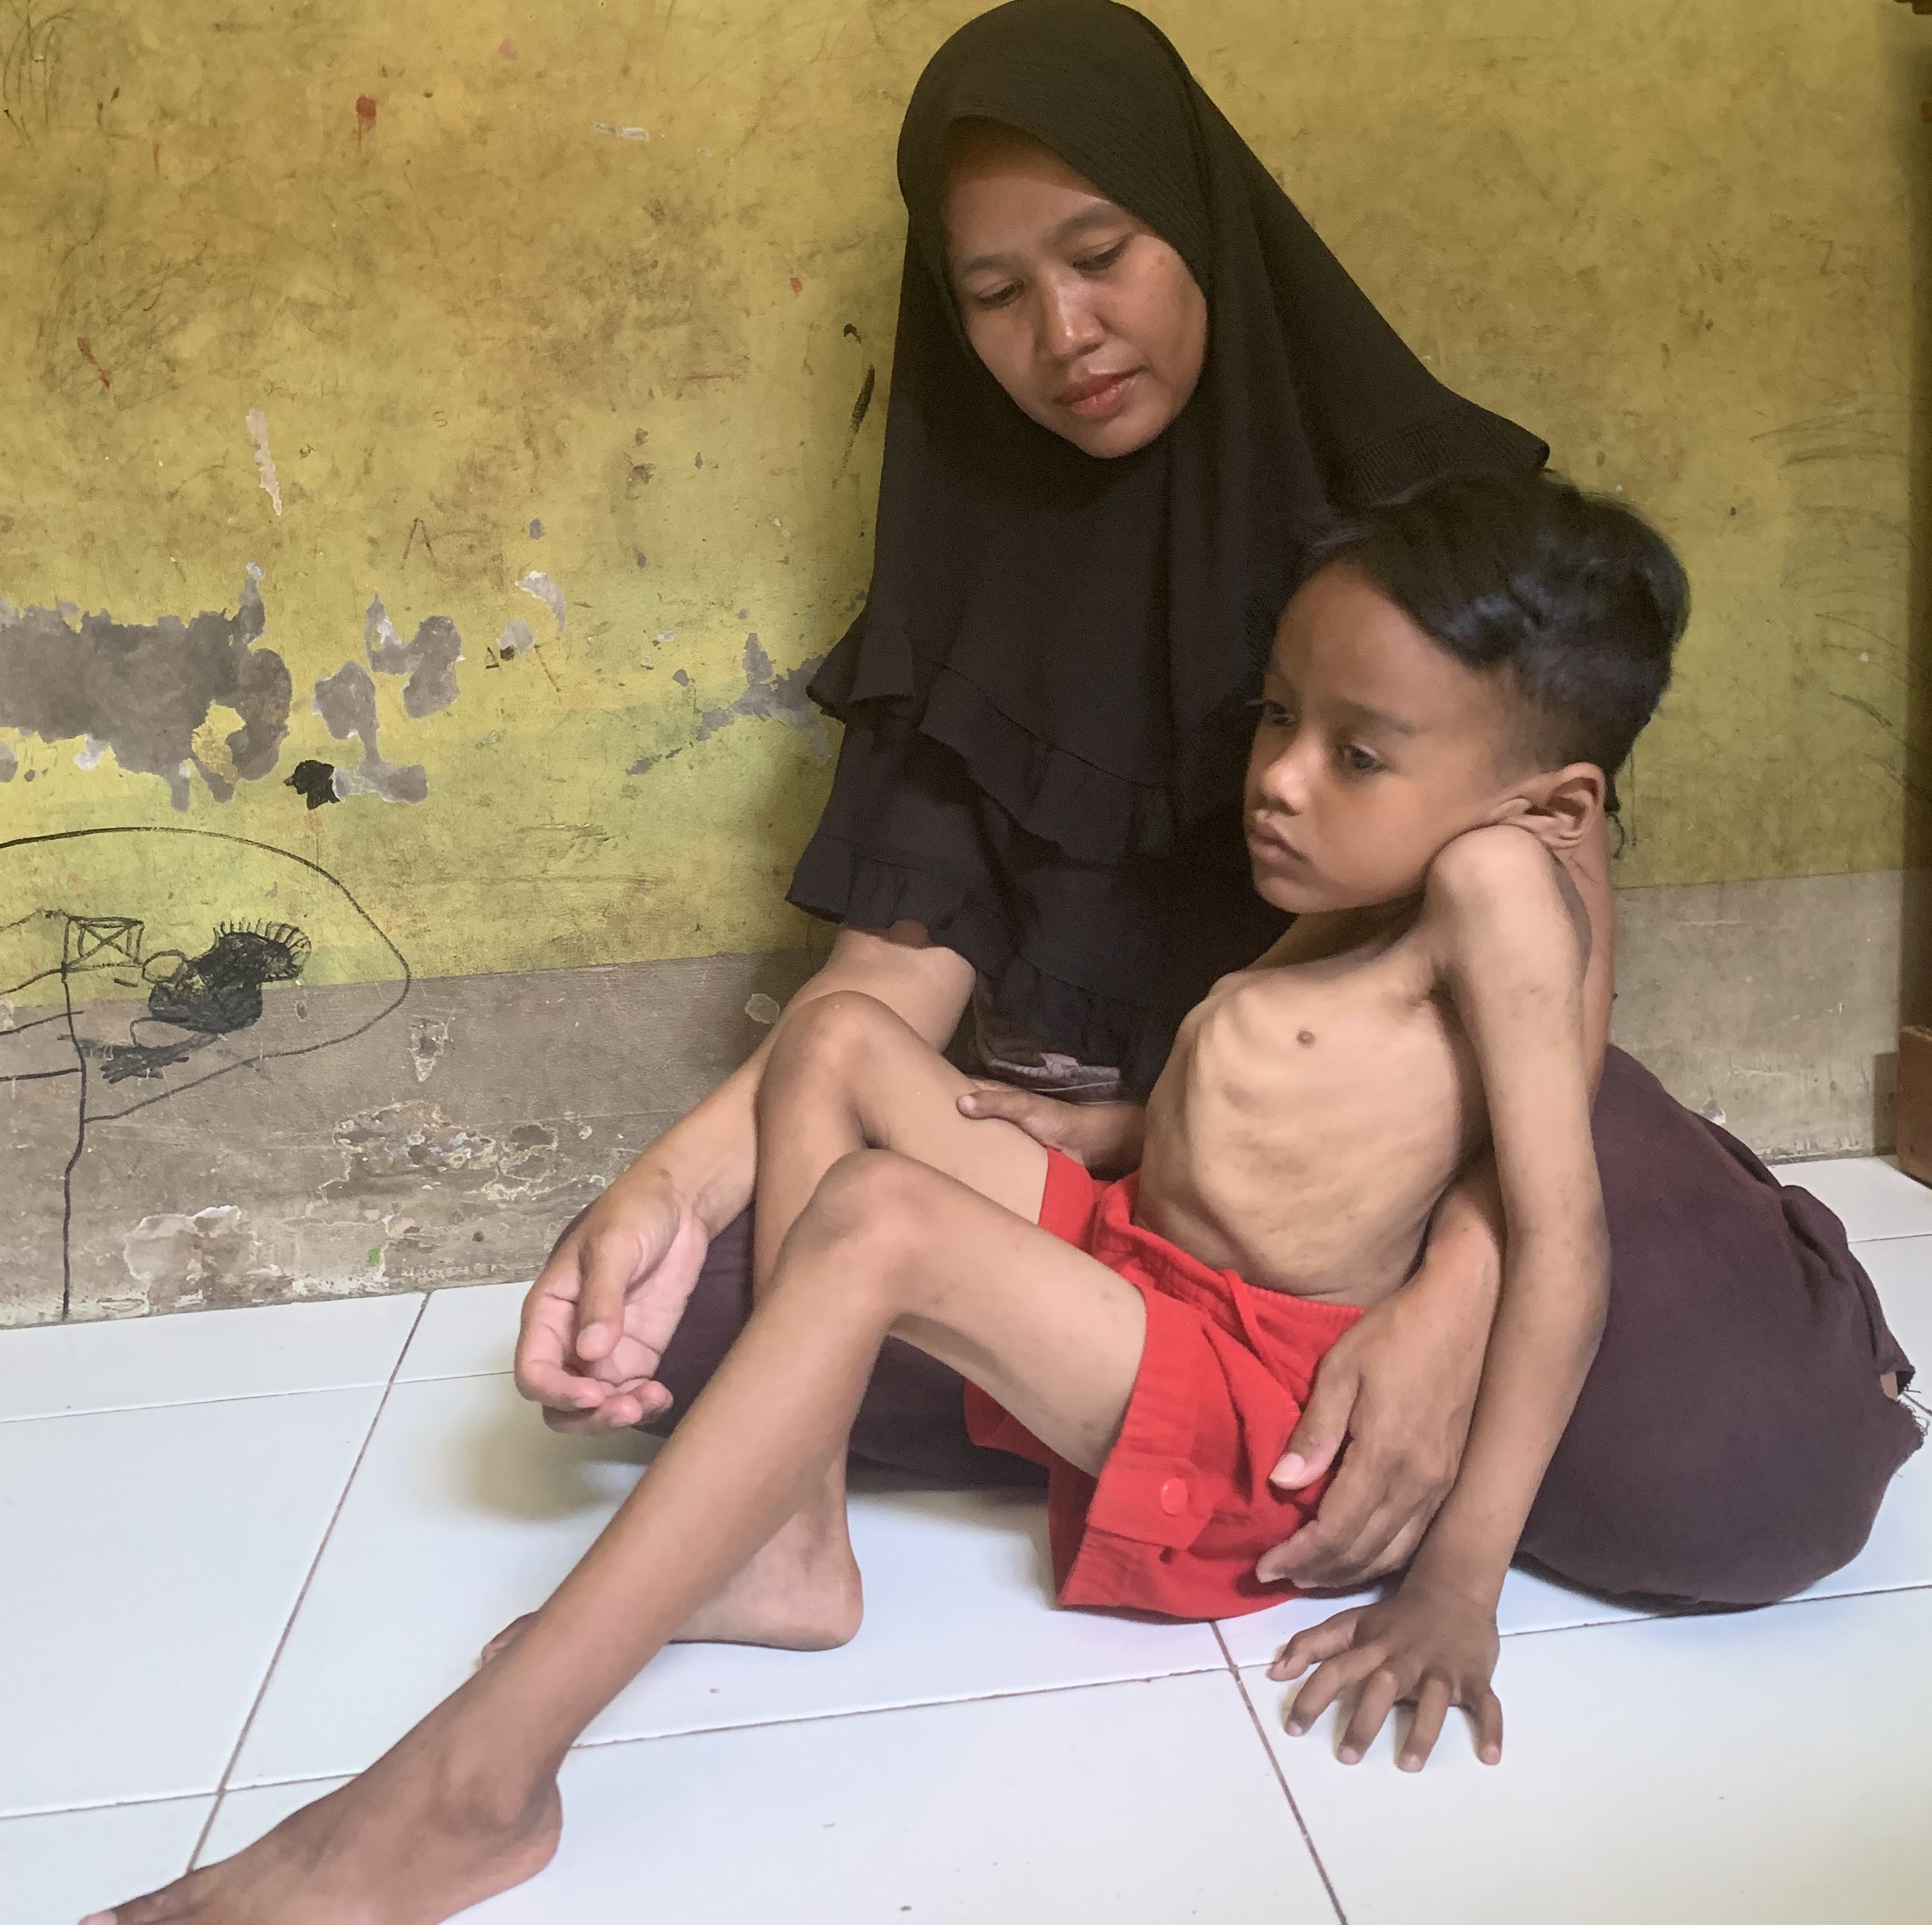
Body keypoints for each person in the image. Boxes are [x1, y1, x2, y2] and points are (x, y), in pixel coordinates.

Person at [88, 469, 1731, 1925]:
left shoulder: (1499, 882)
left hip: (1256, 1407)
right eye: (1277, 715)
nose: (1282, 778)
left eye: (1356, 750)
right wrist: (1107, 1130)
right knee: (837, 1046)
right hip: (1154, 1272)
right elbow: (1320, 1097)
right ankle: (791, 1543)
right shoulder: (1381, 866)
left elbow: (1561, 1240)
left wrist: (1459, 1580)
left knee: (876, 1220)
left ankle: (475, 1787)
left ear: (1553, 802)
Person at [512, 0, 1920, 1613]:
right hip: (1129, 1175)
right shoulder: (966, 561)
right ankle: (1206, 1406)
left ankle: (1258, 1406)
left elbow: (1564, 943)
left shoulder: (1431, 526)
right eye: (995, 293)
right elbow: (885, 981)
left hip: (1431, 1157)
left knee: (1750, 1482)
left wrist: (1452, 1303)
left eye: (1102, 253)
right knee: (665, 1317)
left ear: (1198, 219)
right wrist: (667, 1187)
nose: (1065, 332)